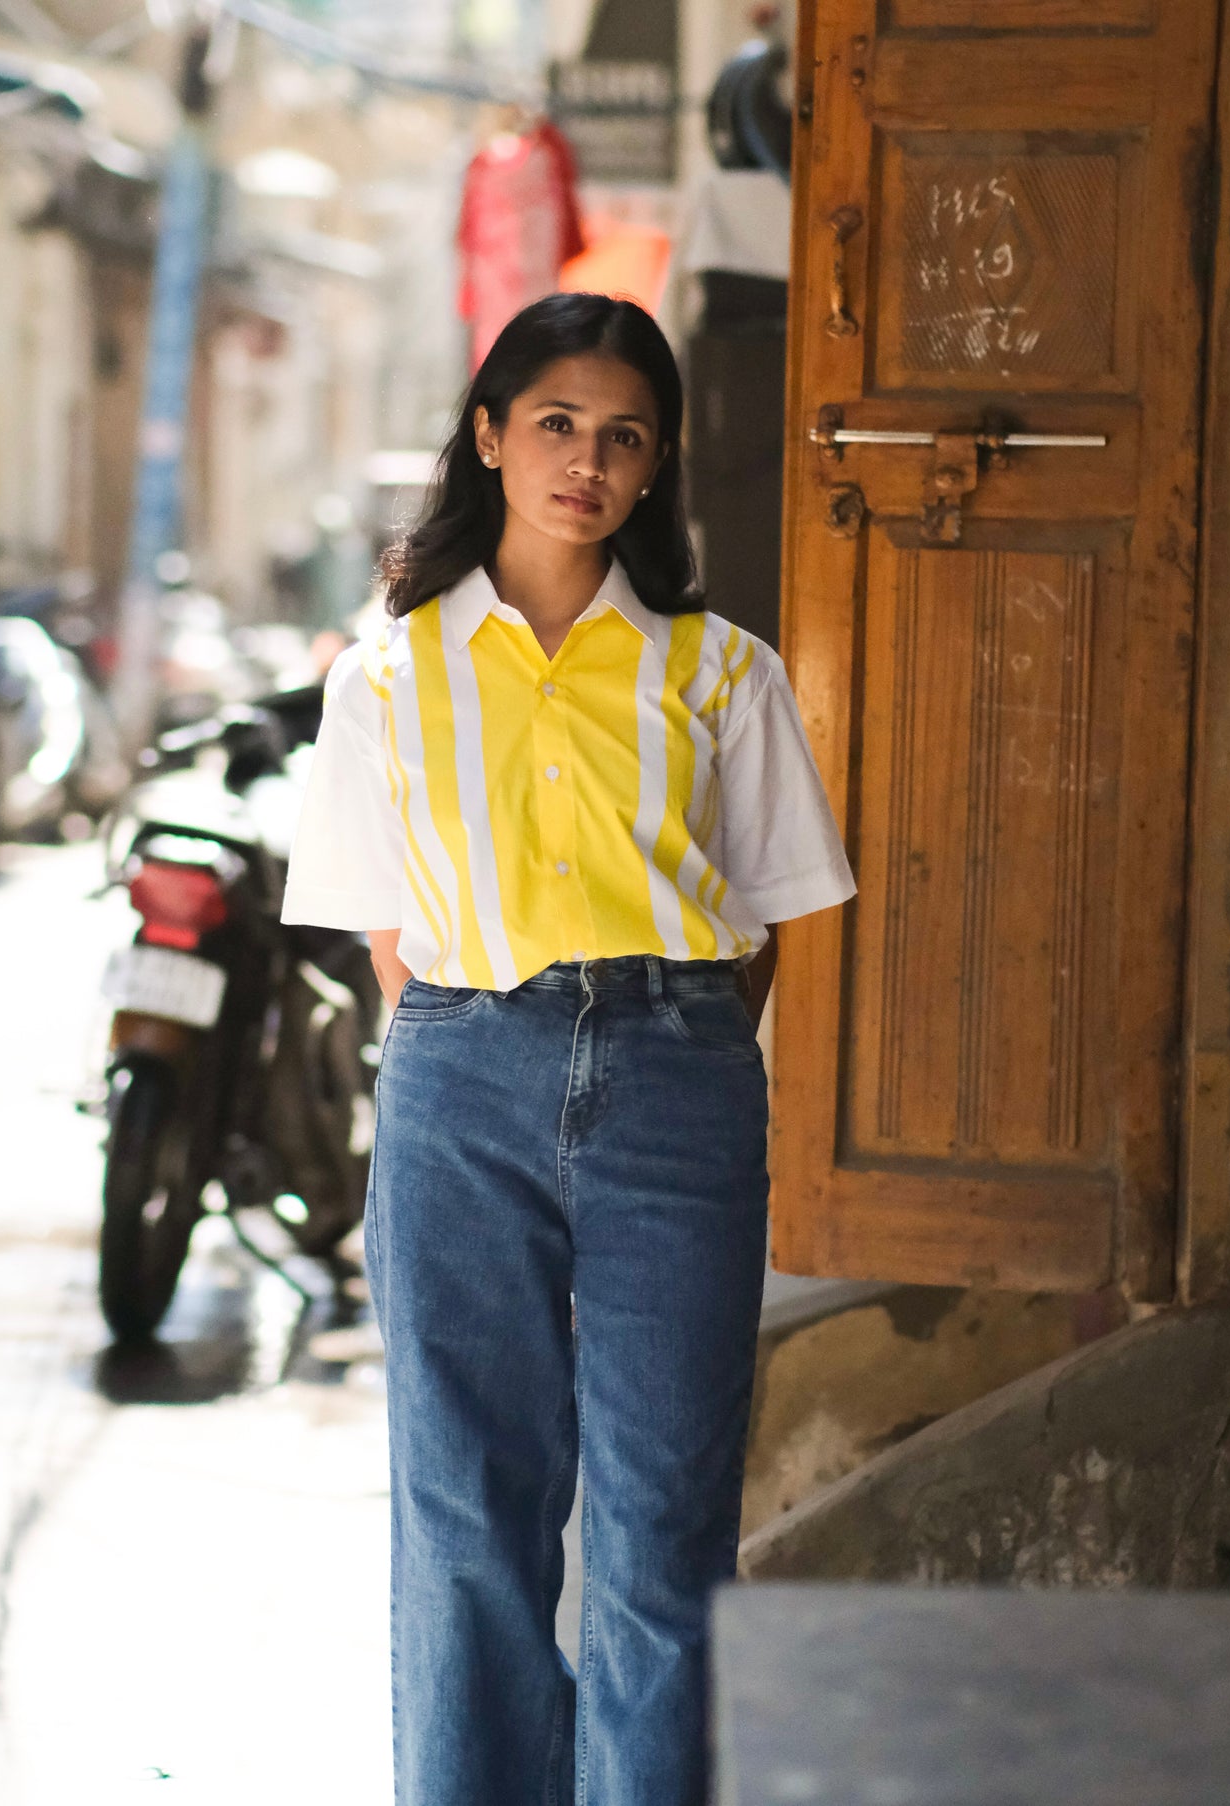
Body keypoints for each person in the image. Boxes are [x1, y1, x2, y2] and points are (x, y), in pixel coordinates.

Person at [281, 292, 855, 1806]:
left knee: (665, 1531)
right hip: (459, 1070)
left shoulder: (720, 671)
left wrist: (666, 1046)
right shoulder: (385, 674)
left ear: (656, 466)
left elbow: (769, 919)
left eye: (622, 436)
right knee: (467, 1520)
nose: (583, 461)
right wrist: (484, 1030)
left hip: (677, 1078)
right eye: (553, 423)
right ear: (486, 433)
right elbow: (381, 932)